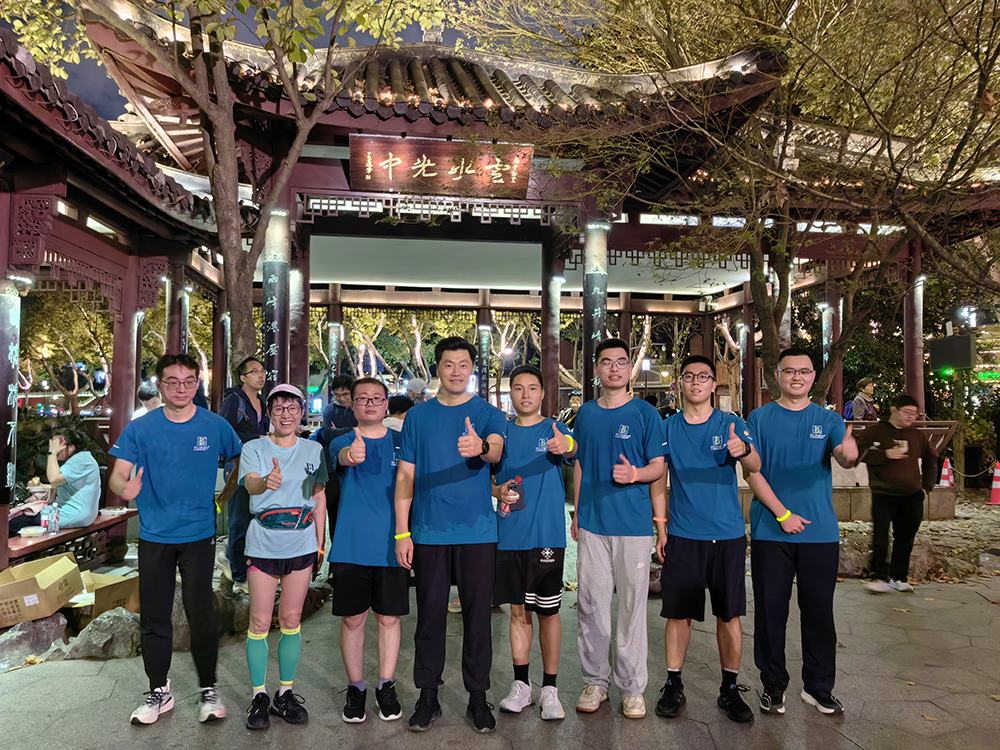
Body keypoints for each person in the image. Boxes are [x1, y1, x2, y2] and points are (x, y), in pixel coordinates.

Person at [109, 353, 243, 726]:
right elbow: (118, 475)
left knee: (201, 613)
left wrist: (224, 497)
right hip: (154, 535)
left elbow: (240, 461)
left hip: (199, 535)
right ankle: (159, 691)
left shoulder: (215, 425)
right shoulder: (140, 428)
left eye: (188, 381)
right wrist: (124, 488)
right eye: (172, 381)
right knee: (154, 615)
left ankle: (209, 689)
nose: (181, 388)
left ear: (197, 383)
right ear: (160, 385)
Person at [394, 336, 507, 733]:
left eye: (463, 365)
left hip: (478, 532)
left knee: (478, 618)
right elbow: (405, 475)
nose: (456, 372)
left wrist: (480, 446)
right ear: (437, 369)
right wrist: (402, 533)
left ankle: (478, 696)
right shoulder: (417, 417)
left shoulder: (489, 413)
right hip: (428, 532)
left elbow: (496, 449)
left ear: (472, 369)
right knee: (428, 618)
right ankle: (428, 696)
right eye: (448, 364)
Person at [744, 348, 858, 717]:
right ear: (777, 375)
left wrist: (850, 453)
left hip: (819, 533)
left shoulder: (828, 419)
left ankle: (819, 687)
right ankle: (773, 684)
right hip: (771, 531)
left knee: (819, 612)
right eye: (790, 371)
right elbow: (752, 472)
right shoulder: (759, 418)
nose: (797, 377)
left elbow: (844, 456)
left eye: (804, 371)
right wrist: (783, 514)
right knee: (770, 612)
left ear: (813, 377)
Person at [650, 355, 759, 724]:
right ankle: (673, 683)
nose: (696, 382)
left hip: (727, 536)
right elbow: (658, 480)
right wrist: (661, 528)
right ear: (680, 383)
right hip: (683, 535)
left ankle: (730, 687)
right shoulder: (668, 427)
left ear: (714, 385)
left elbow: (756, 465)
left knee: (729, 614)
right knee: (678, 613)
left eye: (703, 377)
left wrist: (743, 451)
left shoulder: (732, 424)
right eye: (689, 376)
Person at [572, 338, 666, 719]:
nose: (614, 368)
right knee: (591, 604)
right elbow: (580, 464)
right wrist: (576, 513)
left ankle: (632, 688)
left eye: (621, 362)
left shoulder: (646, 413)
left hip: (633, 525)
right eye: (607, 362)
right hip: (593, 523)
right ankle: (596, 681)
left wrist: (635, 475)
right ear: (596, 369)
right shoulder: (585, 414)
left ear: (630, 369)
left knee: (631, 607)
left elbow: (659, 466)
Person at [237, 384, 327, 730]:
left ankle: (285, 693)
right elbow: (250, 484)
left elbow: (318, 497)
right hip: (263, 543)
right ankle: (259, 695)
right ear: (270, 413)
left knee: (291, 618)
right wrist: (266, 482)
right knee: (260, 621)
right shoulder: (254, 447)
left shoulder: (314, 449)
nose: (286, 414)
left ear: (302, 412)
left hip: (301, 543)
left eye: (292, 408)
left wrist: (320, 543)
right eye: (279, 408)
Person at [492, 365, 576, 721]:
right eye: (518, 388)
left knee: (549, 612)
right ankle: (521, 686)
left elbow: (572, 450)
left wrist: (566, 444)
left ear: (543, 394)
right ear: (509, 393)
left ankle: (550, 690)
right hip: (510, 536)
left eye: (532, 388)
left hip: (547, 536)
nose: (525, 394)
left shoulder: (554, 429)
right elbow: (488, 478)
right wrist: (496, 491)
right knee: (517, 611)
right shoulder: (501, 433)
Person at [329, 378, 408, 724]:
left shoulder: (402, 443)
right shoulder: (343, 440)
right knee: (353, 619)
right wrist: (352, 456)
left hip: (393, 543)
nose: (370, 403)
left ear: (386, 403)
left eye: (377, 398)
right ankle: (356, 687)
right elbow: (343, 458)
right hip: (351, 544)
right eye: (363, 398)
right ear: (353, 404)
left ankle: (386, 685)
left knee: (389, 618)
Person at [857, 394, 937, 593]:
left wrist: (927, 485)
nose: (911, 417)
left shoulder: (917, 435)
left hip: (911, 494)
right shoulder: (875, 431)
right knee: (880, 536)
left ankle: (898, 576)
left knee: (905, 537)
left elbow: (931, 458)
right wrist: (884, 454)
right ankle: (878, 575)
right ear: (894, 410)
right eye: (907, 412)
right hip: (883, 493)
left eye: (915, 414)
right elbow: (857, 453)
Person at [219, 357, 270, 594]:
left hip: (259, 465)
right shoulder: (234, 400)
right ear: (242, 378)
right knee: (239, 519)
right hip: (239, 466)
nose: (261, 375)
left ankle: (248, 568)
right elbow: (224, 431)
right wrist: (256, 438)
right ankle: (238, 574)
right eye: (254, 372)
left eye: (262, 371)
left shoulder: (262, 401)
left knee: (254, 518)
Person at [9, 429, 101, 535]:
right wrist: (41, 486)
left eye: (57, 445)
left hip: (73, 514)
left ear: (71, 447)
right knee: (20, 518)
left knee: (15, 522)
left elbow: (54, 479)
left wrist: (52, 453)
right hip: (77, 513)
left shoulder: (81, 460)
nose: (53, 447)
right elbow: (61, 483)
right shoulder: (81, 458)